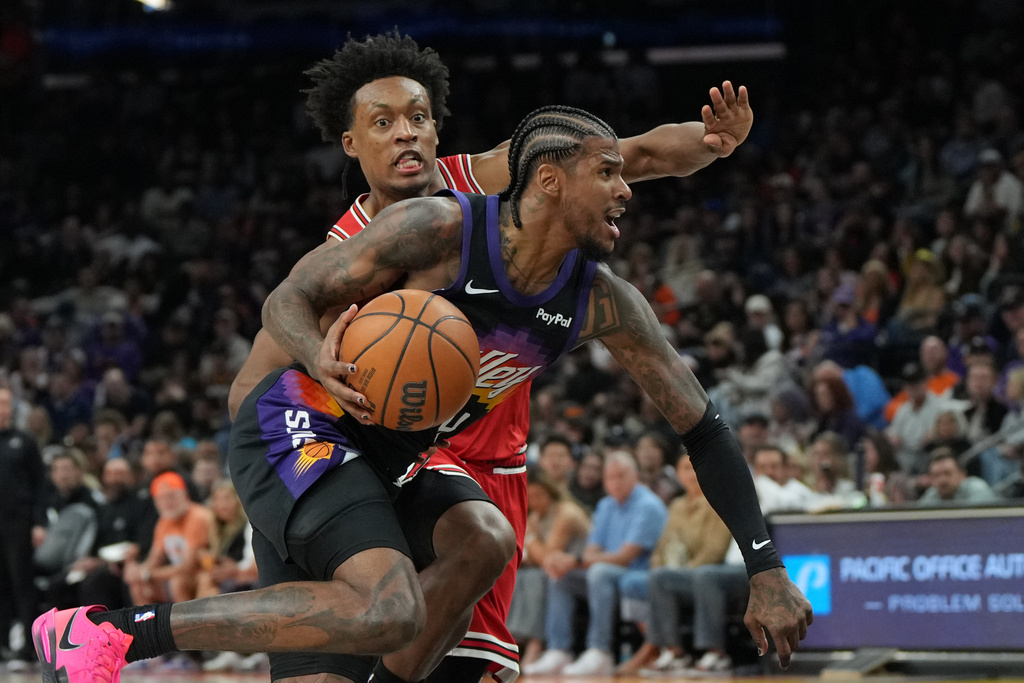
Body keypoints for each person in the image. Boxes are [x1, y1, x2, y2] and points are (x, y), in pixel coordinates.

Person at [35, 104, 811, 683]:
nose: (625, 190)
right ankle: (115, 631)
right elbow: (287, 300)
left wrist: (765, 564)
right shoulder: (440, 230)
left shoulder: (601, 302)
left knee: (484, 539)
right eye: (606, 174)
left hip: (391, 460)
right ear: (549, 179)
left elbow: (703, 426)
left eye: (622, 174)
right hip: (297, 423)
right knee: (392, 607)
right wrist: (320, 356)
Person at [225, 31, 759, 683]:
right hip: (395, 450)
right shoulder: (345, 251)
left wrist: (711, 142)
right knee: (383, 635)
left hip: (493, 459)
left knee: (468, 663)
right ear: (351, 142)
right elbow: (253, 387)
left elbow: (633, 154)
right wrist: (297, 439)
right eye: (384, 122)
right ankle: (144, 630)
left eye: (418, 117)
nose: (405, 133)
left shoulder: (480, 183)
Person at [525, 451, 668, 676]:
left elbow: (625, 557)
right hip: (606, 575)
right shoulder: (606, 505)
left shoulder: (648, 505)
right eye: (610, 477)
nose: (616, 482)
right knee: (561, 574)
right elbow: (591, 550)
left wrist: (577, 560)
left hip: (639, 574)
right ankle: (559, 649)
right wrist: (569, 563)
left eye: (621, 476)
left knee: (599, 572)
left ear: (635, 476)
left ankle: (599, 650)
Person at [506, 465, 590, 670]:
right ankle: (512, 641)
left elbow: (547, 558)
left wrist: (530, 537)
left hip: (582, 570)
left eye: (539, 495)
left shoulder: (566, 513)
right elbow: (533, 559)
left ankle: (535, 645)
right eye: (530, 497)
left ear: (550, 491)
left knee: (537, 578)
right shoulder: (537, 517)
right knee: (518, 576)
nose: (535, 502)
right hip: (559, 572)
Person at [0, 386, 48, 664]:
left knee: (22, 583)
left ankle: (31, 647)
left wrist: (39, 523)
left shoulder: (24, 441)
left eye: (5, 403)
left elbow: (40, 485)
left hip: (18, 522)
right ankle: (2, 644)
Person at [917, 448, 999, 506]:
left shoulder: (977, 488)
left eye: (947, 473)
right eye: (936, 475)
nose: (942, 480)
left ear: (962, 475)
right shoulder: (932, 494)